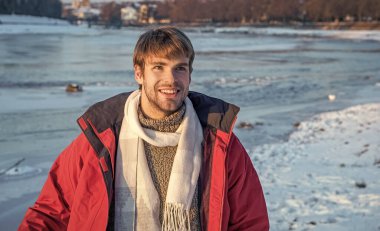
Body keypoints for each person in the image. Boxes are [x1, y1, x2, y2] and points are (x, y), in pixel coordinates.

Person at [18, 26, 269, 231]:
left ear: (189, 75)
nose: (170, 80)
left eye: (179, 68)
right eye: (158, 67)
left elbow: (249, 221)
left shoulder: (219, 143)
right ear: (139, 73)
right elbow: (50, 214)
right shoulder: (100, 139)